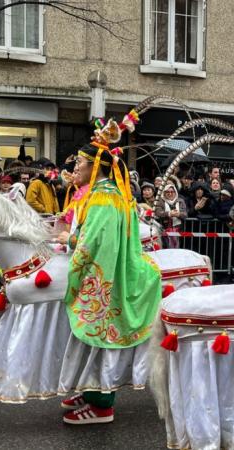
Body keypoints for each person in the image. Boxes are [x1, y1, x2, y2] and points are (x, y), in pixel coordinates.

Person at [55, 142, 162, 425]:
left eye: (80, 162)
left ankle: (102, 403)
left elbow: (92, 243)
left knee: (101, 341)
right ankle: (90, 391)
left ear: (96, 167)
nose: (75, 167)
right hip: (112, 271)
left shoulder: (104, 198)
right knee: (94, 341)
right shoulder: (111, 194)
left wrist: (69, 241)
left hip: (107, 276)